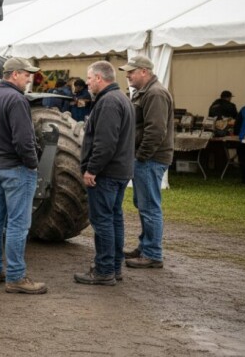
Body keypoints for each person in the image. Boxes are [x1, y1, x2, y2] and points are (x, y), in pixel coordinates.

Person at [0, 57, 46, 295]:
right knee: (18, 223)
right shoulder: (16, 99)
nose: (30, 78)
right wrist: (32, 164)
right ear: (15, 74)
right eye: (27, 74)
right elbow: (24, 139)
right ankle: (16, 276)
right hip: (16, 168)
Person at [74, 61, 135, 285]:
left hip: (107, 174)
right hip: (119, 171)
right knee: (113, 219)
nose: (87, 82)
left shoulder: (108, 102)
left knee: (102, 222)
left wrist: (92, 169)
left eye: (89, 78)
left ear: (99, 78)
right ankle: (114, 267)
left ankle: (104, 270)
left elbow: (105, 143)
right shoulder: (121, 98)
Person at [120, 55, 174, 269]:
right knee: (143, 204)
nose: (128, 75)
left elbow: (156, 130)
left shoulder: (155, 93)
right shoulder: (148, 92)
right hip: (148, 158)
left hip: (151, 159)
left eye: (131, 71)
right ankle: (146, 247)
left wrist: (141, 155)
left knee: (149, 206)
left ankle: (152, 253)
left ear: (144, 71)